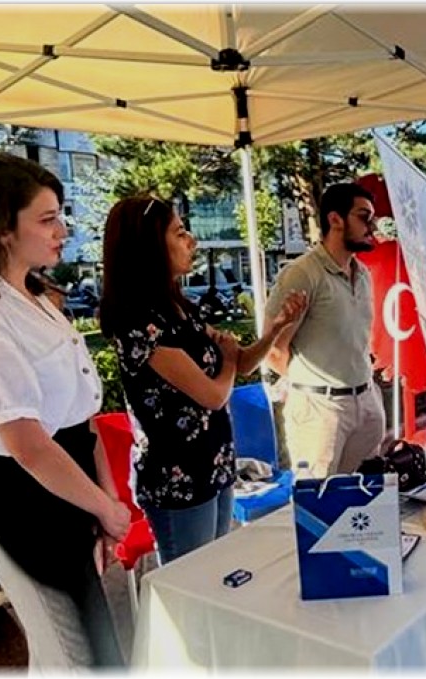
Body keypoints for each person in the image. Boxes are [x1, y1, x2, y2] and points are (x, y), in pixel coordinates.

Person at [0, 153, 130, 669]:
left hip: (71, 491)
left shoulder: (36, 300)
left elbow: (82, 418)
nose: (62, 231)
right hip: (26, 505)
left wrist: (103, 503)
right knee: (79, 659)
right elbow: (29, 445)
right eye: (46, 219)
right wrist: (105, 508)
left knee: (92, 654)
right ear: (2, 229)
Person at [99, 197, 306, 565]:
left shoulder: (181, 309)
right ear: (149, 246)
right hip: (178, 479)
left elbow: (241, 362)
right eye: (179, 233)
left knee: (215, 571)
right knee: (191, 576)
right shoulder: (138, 323)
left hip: (214, 464)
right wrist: (228, 361)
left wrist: (275, 330)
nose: (191, 240)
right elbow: (212, 394)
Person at [263, 183, 385, 477]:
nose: (372, 226)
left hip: (367, 400)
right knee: (317, 499)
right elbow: (273, 349)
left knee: (362, 495)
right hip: (320, 409)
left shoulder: (363, 273)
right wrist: (312, 388)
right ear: (335, 219)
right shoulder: (302, 273)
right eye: (364, 217)